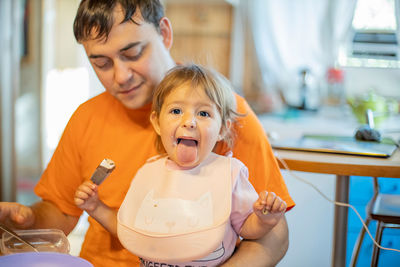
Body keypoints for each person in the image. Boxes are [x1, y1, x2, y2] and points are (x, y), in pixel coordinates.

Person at [0, 1, 294, 266]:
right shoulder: (87, 117)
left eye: (133, 53)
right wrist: (27, 220)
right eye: (101, 63)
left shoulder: (222, 115)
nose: (120, 76)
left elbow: (274, 236)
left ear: (165, 33)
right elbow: (61, 211)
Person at [74, 64, 288, 266]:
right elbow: (130, 228)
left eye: (203, 113)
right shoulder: (149, 171)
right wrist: (96, 207)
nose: (189, 121)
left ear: (222, 128)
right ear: (157, 122)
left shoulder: (229, 174)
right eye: (176, 111)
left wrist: (264, 219)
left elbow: (247, 228)